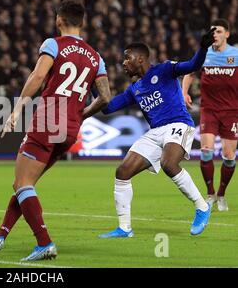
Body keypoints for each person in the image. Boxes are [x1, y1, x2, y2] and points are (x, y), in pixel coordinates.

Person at [0, 0, 111, 261]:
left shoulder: (53, 44)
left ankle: (44, 242)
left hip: (48, 120)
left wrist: (16, 110)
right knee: (23, 185)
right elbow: (105, 97)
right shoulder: (96, 56)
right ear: (82, 22)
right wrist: (80, 115)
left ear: (59, 20)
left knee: (23, 183)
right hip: (70, 129)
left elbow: (37, 77)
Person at [85, 29, 216, 239]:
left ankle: (201, 206)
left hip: (178, 124)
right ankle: (125, 228)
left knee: (169, 164)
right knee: (123, 172)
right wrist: (93, 82)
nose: (124, 63)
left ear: (141, 58)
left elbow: (192, 65)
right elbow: (107, 108)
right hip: (155, 132)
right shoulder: (134, 89)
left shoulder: (165, 70)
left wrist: (202, 48)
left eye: (127, 58)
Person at [182, 19, 238, 211]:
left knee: (229, 156)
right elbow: (189, 72)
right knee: (206, 151)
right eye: (213, 31)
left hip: (232, 112)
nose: (215, 34)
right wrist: (184, 92)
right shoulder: (204, 55)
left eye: (219, 31)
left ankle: (221, 194)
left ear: (227, 34)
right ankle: (210, 193)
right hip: (209, 109)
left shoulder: (236, 55)